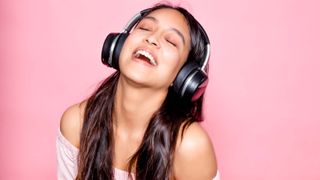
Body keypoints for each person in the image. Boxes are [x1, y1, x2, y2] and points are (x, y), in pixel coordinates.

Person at [56, 3, 220, 180]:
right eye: (145, 28)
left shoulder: (189, 146)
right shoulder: (76, 123)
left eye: (171, 41)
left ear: (185, 76)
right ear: (118, 46)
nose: (151, 39)